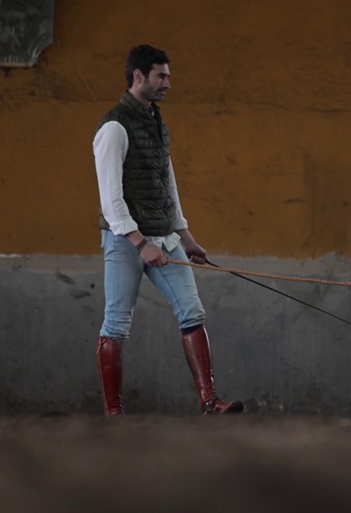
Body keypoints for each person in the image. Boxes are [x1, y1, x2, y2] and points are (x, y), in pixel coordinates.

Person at [93, 44, 243, 416]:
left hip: (166, 236)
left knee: (192, 312)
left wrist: (185, 237)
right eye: (162, 76)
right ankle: (114, 414)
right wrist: (139, 242)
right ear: (138, 77)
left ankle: (210, 402)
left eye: (168, 76)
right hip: (126, 240)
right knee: (116, 323)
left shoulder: (157, 122)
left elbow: (166, 183)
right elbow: (111, 199)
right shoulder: (113, 127)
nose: (168, 83)